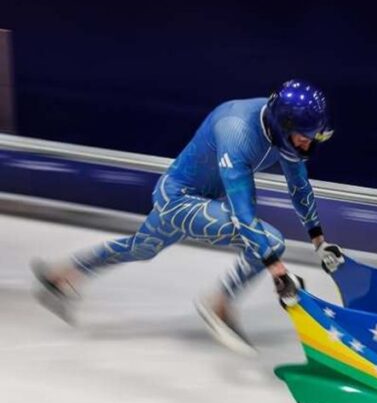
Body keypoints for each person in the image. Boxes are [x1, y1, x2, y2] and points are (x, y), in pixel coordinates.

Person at [32, 79, 343, 354]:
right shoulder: (236, 129)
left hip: (194, 199)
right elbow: (243, 213)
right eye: (305, 136)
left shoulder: (283, 132)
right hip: (178, 201)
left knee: (140, 248)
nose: (308, 143)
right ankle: (218, 305)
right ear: (283, 126)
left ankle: (59, 275)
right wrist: (277, 271)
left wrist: (319, 240)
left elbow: (298, 186)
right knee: (270, 242)